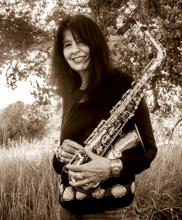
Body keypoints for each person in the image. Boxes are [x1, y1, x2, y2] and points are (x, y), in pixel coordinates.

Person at [51, 14, 157, 220]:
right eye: (67, 44)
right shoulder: (70, 93)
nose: (74, 51)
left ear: (95, 44)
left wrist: (111, 168)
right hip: (67, 211)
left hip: (113, 212)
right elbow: (57, 166)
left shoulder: (124, 85)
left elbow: (149, 151)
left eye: (81, 42)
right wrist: (60, 154)